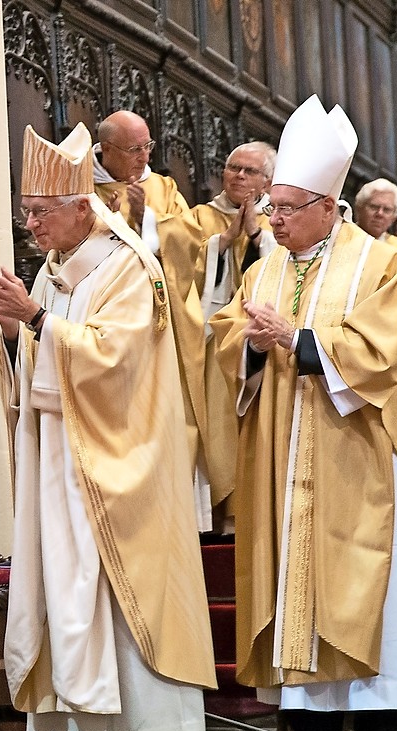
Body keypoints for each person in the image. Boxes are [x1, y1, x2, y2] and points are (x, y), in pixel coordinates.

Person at [210, 95, 397, 731]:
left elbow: (389, 350)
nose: (276, 219)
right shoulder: (263, 267)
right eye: (272, 206)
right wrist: (247, 341)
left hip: (363, 455)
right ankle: (313, 728)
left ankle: (384, 727)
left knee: (368, 578)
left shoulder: (380, 264)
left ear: (330, 206)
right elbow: (228, 340)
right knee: (297, 578)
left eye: (289, 208)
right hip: (285, 452)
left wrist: (296, 341)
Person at [0, 124, 215, 731]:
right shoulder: (52, 272)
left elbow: (116, 359)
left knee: (113, 585)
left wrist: (38, 323)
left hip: (119, 459)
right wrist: (14, 334)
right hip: (61, 458)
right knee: (62, 581)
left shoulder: (130, 265)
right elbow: (40, 358)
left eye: (40, 212)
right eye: (25, 212)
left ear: (82, 207)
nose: (31, 224)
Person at [158, 141, 278, 530]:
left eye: (250, 171)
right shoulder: (197, 216)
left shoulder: (282, 217)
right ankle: (220, 515)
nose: (239, 176)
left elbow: (284, 270)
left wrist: (257, 235)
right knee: (217, 426)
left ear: (269, 180)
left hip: (262, 340)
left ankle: (258, 509)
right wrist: (223, 242)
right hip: (211, 341)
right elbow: (177, 274)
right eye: (233, 168)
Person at [91, 110, 189, 255]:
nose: (145, 158)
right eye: (135, 149)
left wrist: (145, 218)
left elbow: (189, 237)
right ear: (107, 149)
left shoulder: (164, 187)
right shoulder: (84, 189)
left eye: (148, 146)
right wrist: (104, 226)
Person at [354, 178, 397, 266]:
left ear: (394, 217)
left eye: (387, 210)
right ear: (359, 208)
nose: (380, 214)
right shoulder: (340, 237)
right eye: (374, 207)